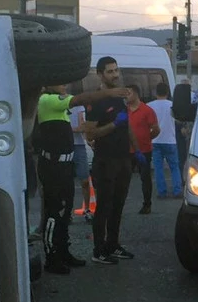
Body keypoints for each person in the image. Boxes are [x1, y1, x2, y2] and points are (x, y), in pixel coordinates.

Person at [33, 81, 130, 274]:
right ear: (49, 85)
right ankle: (52, 258)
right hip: (53, 166)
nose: (64, 86)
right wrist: (108, 93)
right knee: (55, 212)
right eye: (59, 83)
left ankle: (63, 252)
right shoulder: (48, 100)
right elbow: (82, 99)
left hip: (64, 164)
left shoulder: (58, 106)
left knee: (65, 211)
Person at [83, 57, 137, 264]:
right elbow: (90, 134)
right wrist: (114, 125)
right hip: (105, 161)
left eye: (116, 70)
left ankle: (113, 245)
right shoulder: (96, 100)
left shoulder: (119, 97)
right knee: (104, 207)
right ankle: (99, 250)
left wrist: (137, 151)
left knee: (118, 205)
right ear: (100, 74)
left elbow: (128, 126)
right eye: (110, 71)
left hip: (124, 158)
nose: (115, 74)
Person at [126, 85, 159, 215]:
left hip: (144, 151)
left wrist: (147, 138)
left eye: (128, 93)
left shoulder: (147, 110)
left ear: (135, 94)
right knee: (123, 178)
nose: (126, 96)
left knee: (145, 178)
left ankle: (147, 204)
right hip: (127, 150)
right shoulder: (124, 110)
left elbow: (156, 129)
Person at [148, 82, 182, 199]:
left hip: (155, 140)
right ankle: (177, 191)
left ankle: (162, 192)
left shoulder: (149, 106)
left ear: (155, 92)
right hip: (170, 140)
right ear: (167, 92)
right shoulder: (173, 105)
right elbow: (179, 121)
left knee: (158, 168)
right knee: (174, 167)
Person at [69, 103, 93, 222]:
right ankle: (68, 211)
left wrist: (68, 129)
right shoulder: (56, 104)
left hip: (78, 145)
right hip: (66, 145)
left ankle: (87, 209)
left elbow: (82, 127)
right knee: (67, 182)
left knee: (84, 180)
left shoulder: (78, 107)